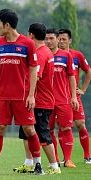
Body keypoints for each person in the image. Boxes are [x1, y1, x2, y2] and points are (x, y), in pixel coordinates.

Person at [0, 9, 44, 175]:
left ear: (7, 24)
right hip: (3, 96)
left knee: (29, 130)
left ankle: (38, 165)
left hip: (23, 96)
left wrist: (31, 94)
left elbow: (33, 70)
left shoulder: (27, 44)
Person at [13, 23, 61, 174]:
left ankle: (54, 166)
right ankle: (29, 164)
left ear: (31, 35)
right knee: (26, 133)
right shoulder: (45, 51)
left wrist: (27, 92)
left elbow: (36, 76)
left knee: (42, 134)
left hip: (40, 101)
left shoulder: (40, 54)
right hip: (34, 100)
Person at [45, 28, 79, 168]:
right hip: (46, 100)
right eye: (46, 38)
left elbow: (71, 76)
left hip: (63, 99)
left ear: (58, 39)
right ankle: (56, 160)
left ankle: (68, 159)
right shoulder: (42, 55)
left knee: (65, 128)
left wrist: (74, 97)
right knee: (49, 130)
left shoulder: (66, 55)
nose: (49, 41)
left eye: (52, 38)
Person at [58, 28, 91, 164]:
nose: (61, 42)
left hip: (73, 96)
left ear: (70, 41)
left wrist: (82, 90)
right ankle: (65, 158)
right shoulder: (53, 55)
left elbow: (88, 72)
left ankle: (87, 155)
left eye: (64, 39)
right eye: (59, 39)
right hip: (59, 96)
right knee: (62, 127)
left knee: (80, 124)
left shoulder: (77, 55)